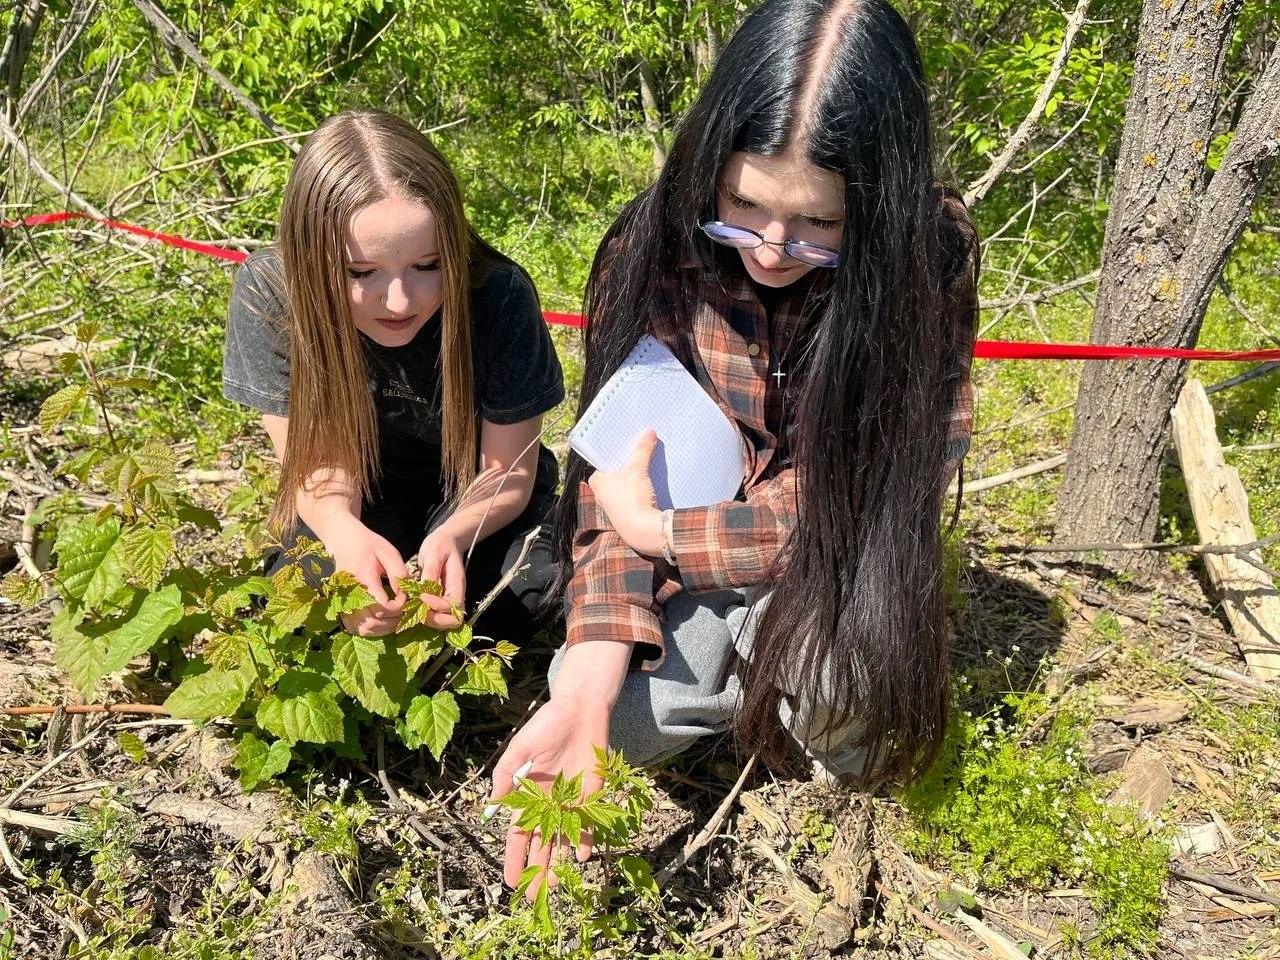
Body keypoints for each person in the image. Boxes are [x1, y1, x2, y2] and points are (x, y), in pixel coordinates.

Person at [491, 0, 978, 890]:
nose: (771, 249)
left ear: (879, 201)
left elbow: (877, 494)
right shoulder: (658, 244)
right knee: (615, 723)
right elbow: (619, 474)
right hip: (683, 551)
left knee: (844, 703)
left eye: (820, 225)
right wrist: (590, 679)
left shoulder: (927, 260)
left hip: (834, 558)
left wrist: (670, 536)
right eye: (743, 206)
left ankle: (779, 678)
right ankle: (738, 679)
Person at [222, 110, 564, 641]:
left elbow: (508, 472)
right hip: (358, 488)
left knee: (518, 603)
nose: (401, 301)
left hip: (476, 492)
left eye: (428, 266)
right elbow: (316, 464)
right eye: (361, 274)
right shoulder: (272, 294)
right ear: (312, 262)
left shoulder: (498, 295)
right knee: (300, 601)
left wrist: (452, 536)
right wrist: (343, 535)